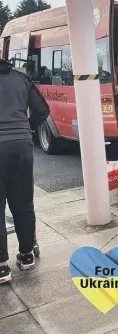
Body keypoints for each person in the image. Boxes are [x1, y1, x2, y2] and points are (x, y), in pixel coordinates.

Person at [0, 59, 50, 283]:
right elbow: (42, 109)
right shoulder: (21, 78)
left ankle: (2, 266)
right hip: (21, 144)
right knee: (24, 202)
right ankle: (27, 255)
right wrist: (26, 126)